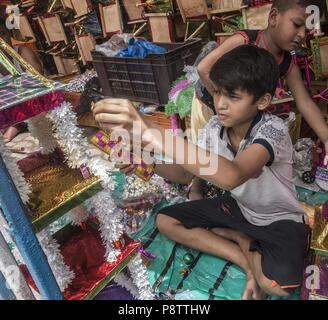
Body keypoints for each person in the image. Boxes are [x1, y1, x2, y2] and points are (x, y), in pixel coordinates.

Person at [92, 45, 310, 300]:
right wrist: (148, 162)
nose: (221, 104)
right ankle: (243, 250)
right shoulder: (215, 127)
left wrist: (152, 132)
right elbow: (186, 175)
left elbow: (233, 175)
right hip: (239, 208)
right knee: (166, 221)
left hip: (278, 219)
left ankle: (240, 240)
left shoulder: (272, 130)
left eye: (233, 97)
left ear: (262, 101)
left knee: (277, 286)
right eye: (217, 93)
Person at [197, 0, 328, 166]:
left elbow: (305, 103)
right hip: (209, 101)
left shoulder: (288, 64)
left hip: (240, 109)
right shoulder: (243, 41)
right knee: (211, 156)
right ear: (273, 17)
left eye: (307, 29)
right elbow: (203, 69)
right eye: (297, 24)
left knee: (237, 159)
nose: (302, 34)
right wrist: (224, 98)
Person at [0, 18, 44, 142]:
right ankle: (16, 124)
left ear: (9, 34)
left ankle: (17, 125)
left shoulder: (23, 51)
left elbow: (38, 80)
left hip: (31, 102)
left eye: (2, 34)